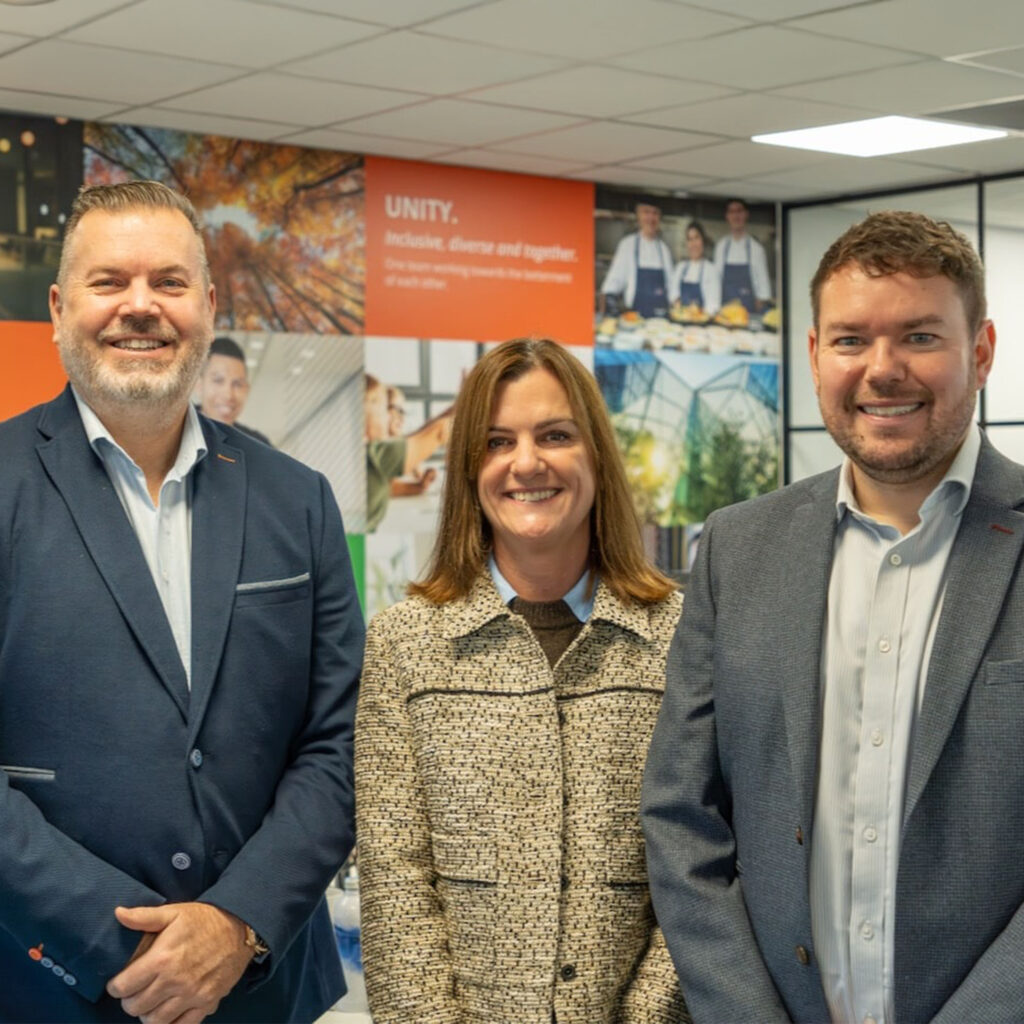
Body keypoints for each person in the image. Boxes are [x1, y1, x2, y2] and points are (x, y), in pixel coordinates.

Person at [642, 210, 1024, 1024]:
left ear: (981, 351)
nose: (882, 370)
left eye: (919, 336)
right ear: (816, 355)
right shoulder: (740, 549)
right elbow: (682, 818)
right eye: (851, 340)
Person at [0, 180, 363, 1023]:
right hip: (45, 983)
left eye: (168, 282)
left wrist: (236, 923)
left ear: (206, 303)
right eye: (108, 282)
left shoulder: (297, 499)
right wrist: (121, 941)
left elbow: (340, 738)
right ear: (58, 308)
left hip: (263, 988)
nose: (141, 307)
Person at [356, 338, 688, 1023]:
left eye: (555, 435)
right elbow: (397, 887)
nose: (526, 463)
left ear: (596, 453)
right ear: (470, 468)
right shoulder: (405, 645)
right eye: (497, 441)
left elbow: (705, 868)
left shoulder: (682, 639)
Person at [365, 373, 450, 532]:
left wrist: (418, 487)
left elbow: (387, 488)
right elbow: (439, 431)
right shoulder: (374, 454)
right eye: (386, 409)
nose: (393, 417)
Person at [193, 334, 272, 446]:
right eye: (218, 381)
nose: (228, 395)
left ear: (247, 390)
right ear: (198, 385)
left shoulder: (258, 445)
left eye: (238, 384)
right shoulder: (173, 436)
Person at [600, 202, 674, 319]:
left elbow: (671, 288)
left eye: (655, 213)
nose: (651, 218)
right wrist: (610, 313)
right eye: (646, 212)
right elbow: (612, 285)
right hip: (634, 319)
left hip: (661, 323)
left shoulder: (664, 250)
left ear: (659, 218)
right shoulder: (628, 245)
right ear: (638, 216)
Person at [712, 198, 772, 312]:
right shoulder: (721, 247)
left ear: (746, 214)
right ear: (727, 216)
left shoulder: (756, 249)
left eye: (739, 211)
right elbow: (715, 283)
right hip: (725, 314)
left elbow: (764, 290)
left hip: (749, 313)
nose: (736, 216)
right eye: (732, 212)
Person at [386, 385, 437, 497]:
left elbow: (419, 474)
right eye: (397, 410)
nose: (402, 418)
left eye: (403, 412)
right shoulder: (377, 449)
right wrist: (418, 487)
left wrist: (427, 476)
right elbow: (386, 488)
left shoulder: (402, 444)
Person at [670, 221, 722, 316]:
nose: (693, 244)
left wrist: (698, 315)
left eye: (696, 238)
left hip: (704, 325)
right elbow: (673, 295)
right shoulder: (680, 268)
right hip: (681, 323)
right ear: (687, 243)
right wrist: (679, 307)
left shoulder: (711, 270)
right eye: (690, 239)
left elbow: (714, 304)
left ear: (703, 241)